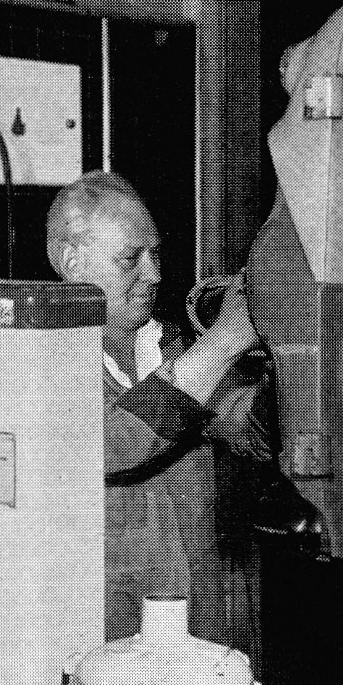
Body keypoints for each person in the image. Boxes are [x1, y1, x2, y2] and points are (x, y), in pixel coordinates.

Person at [46, 171, 275, 644]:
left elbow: (254, 436)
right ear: (72, 261)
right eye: (131, 259)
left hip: (207, 618)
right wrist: (220, 345)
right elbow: (112, 443)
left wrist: (286, 349)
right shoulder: (42, 361)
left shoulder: (176, 347)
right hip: (108, 629)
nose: (153, 275)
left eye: (155, 256)